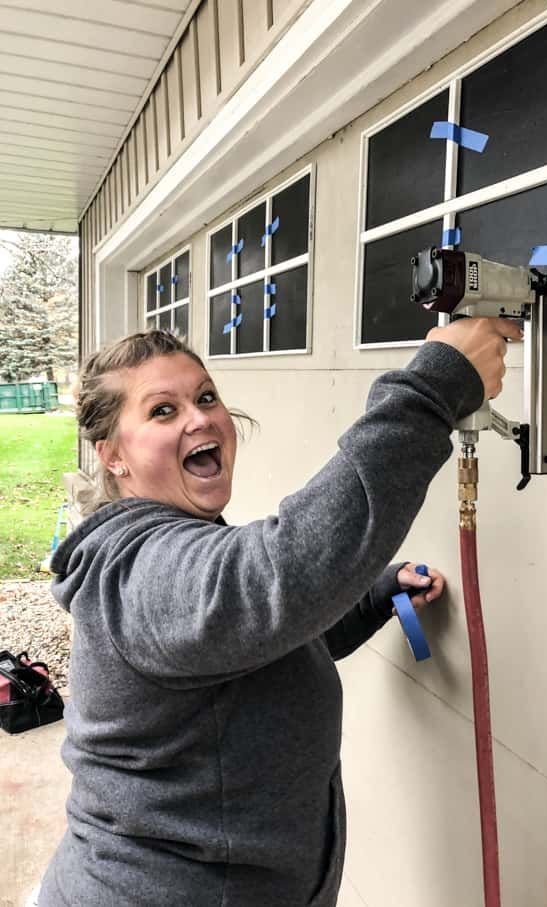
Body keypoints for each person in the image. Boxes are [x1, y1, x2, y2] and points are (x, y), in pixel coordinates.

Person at [38, 316, 519, 907]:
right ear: (114, 457)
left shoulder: (186, 547)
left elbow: (261, 633)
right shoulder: (138, 569)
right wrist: (434, 388)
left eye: (206, 396)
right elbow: (277, 576)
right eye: (162, 411)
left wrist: (373, 592)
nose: (201, 418)